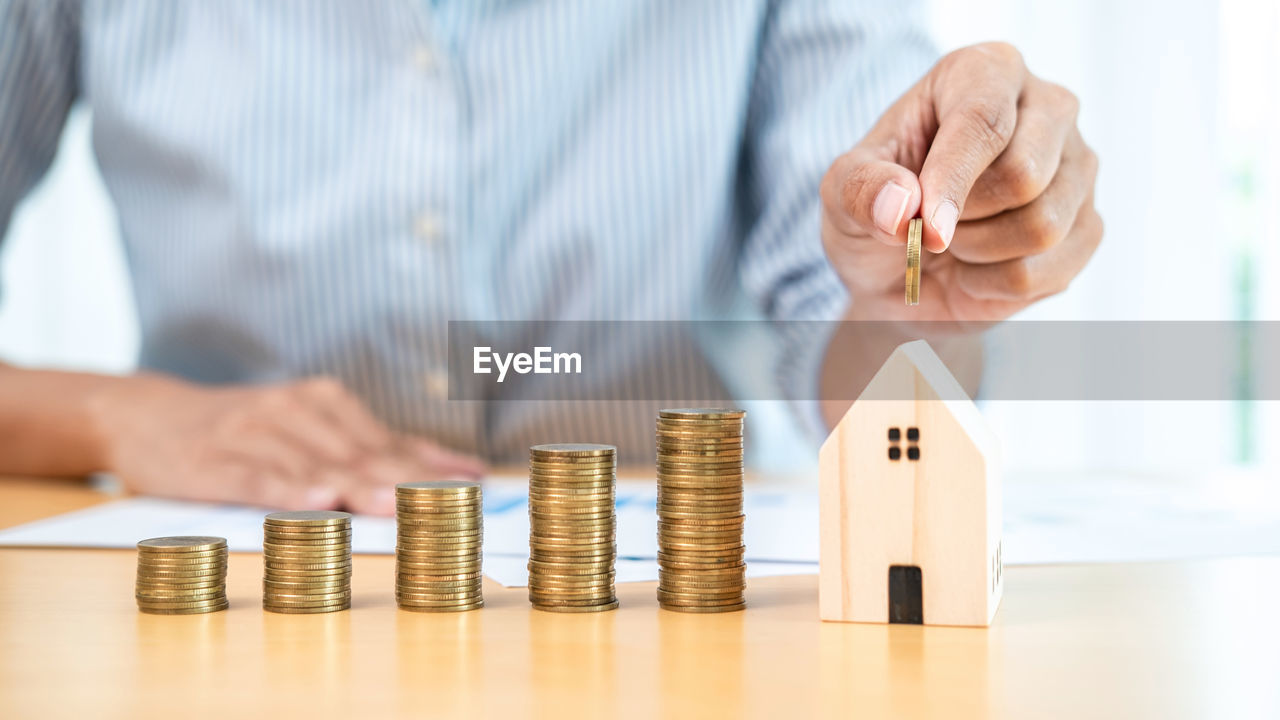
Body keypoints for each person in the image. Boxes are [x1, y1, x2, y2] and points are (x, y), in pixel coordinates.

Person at [0, 1, 1101, 515]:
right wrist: (111, 415)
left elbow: (865, 362)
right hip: (238, 592)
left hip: (682, 626)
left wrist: (910, 306)